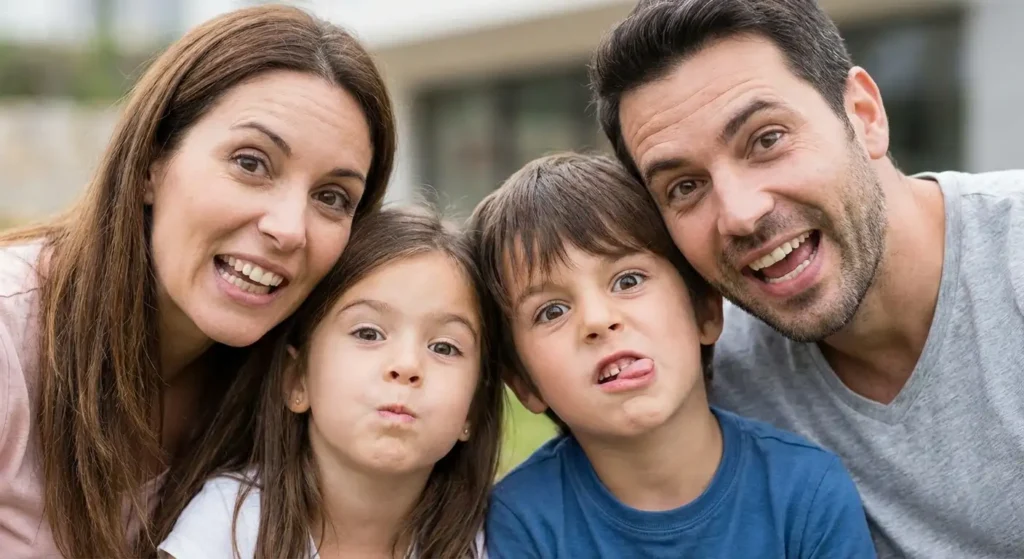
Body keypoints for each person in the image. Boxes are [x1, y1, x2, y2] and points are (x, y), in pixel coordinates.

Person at [590, 0, 1024, 557]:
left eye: (766, 139)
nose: (740, 213)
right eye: (684, 187)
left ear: (864, 115)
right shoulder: (716, 384)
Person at [0, 5, 395, 557]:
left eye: (332, 198)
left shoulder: (299, 391)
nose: (288, 230)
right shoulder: (9, 341)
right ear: (150, 165)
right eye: (252, 163)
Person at [470, 153, 875, 558]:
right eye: (552, 311)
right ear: (522, 383)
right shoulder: (519, 519)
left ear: (706, 312)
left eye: (628, 280)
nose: (597, 320)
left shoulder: (806, 490)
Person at [157, 207, 503, 559]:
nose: (407, 365)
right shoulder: (230, 525)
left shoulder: (490, 542)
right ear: (297, 380)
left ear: (474, 407)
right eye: (368, 333)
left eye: (444, 347)